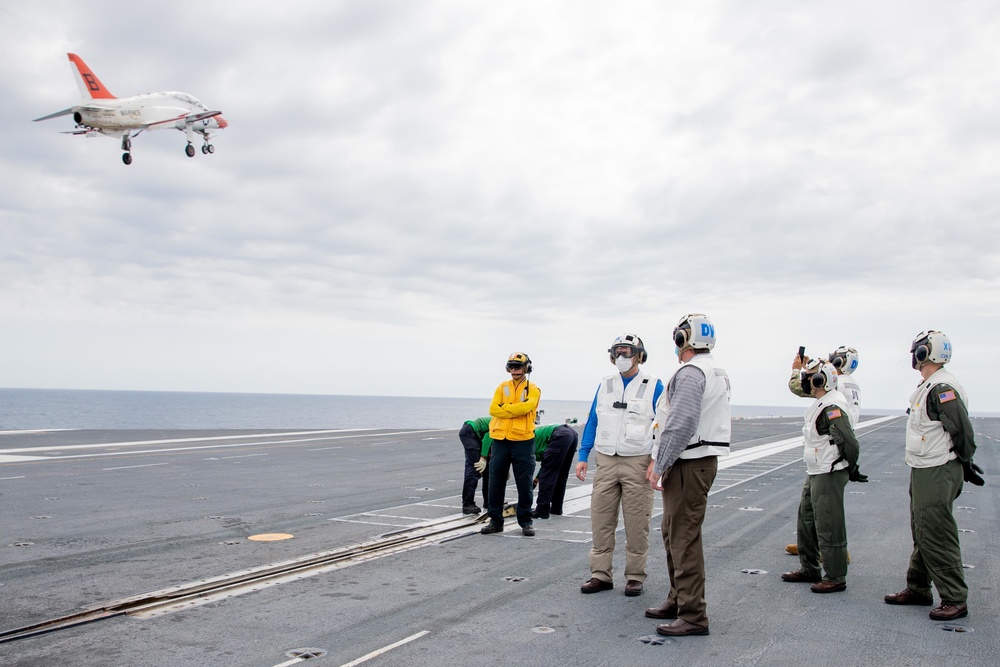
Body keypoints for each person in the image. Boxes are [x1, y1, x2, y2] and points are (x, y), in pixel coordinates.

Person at [884, 331, 984, 621]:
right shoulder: (928, 385)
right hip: (925, 467)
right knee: (922, 530)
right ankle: (917, 588)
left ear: (925, 353)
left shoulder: (941, 387)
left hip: (938, 468)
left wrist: (964, 461)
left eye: (917, 350)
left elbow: (963, 431)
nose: (913, 354)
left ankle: (954, 598)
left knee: (936, 533)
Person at [645, 314, 730, 637]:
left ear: (683, 339)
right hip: (696, 460)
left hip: (688, 463)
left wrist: (660, 463)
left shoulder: (691, 372)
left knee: (683, 537)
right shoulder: (714, 371)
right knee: (673, 531)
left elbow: (680, 423)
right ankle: (679, 599)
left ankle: (693, 614)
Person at [575, 334, 663, 597]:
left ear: (639, 355)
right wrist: (583, 455)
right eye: (618, 352)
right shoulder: (605, 385)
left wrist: (657, 461)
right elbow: (593, 420)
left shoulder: (654, 385)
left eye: (628, 352)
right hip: (605, 461)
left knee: (637, 522)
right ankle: (600, 574)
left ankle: (635, 575)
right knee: (601, 519)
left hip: (638, 461)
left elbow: (662, 425)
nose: (622, 357)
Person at [780, 359, 867, 594]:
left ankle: (836, 576)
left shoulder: (832, 407)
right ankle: (809, 568)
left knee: (829, 524)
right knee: (807, 519)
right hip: (817, 469)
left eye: (810, 377)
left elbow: (849, 441)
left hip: (829, 471)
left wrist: (851, 467)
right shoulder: (824, 402)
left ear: (820, 381)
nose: (806, 381)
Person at [786, 345, 861, 556]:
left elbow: (798, 387)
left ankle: (835, 554)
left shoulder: (834, 387)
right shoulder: (852, 384)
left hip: (830, 452)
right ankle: (813, 547)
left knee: (826, 512)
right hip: (838, 447)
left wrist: (797, 369)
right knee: (820, 509)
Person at [480, 352, 541, 537]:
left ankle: (526, 522)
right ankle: (495, 521)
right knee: (495, 483)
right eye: (511, 366)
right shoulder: (502, 387)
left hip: (522, 441)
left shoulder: (533, 389)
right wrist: (514, 411)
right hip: (500, 441)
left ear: (527, 368)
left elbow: (526, 407)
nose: (514, 369)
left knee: (524, 484)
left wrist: (504, 410)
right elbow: (492, 409)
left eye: (518, 366)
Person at [531, 424, 579, 519]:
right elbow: (550, 463)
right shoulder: (534, 437)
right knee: (561, 473)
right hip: (571, 435)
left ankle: (542, 510)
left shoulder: (526, 444)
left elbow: (547, 468)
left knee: (548, 474)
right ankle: (556, 508)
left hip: (560, 435)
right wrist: (536, 481)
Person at [459, 417, 492, 514]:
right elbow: (487, 439)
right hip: (470, 432)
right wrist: (483, 457)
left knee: (488, 470)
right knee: (475, 468)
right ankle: (467, 504)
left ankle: (488, 502)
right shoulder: (501, 423)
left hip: (475, 435)